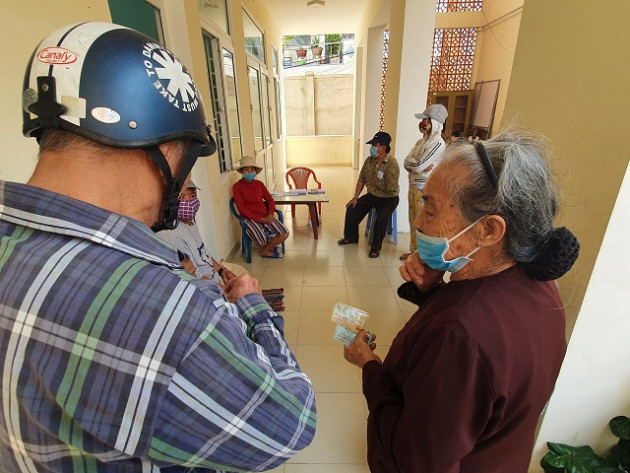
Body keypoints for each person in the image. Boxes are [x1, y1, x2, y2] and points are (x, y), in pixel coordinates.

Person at [0, 22, 315, 473]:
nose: (187, 182)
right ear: (166, 147)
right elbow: (292, 423)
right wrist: (253, 307)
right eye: (189, 159)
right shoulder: (169, 311)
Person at [343, 127, 580, 473]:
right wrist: (434, 289)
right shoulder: (540, 284)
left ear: (488, 231)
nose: (419, 223)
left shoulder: (457, 334)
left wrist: (369, 365)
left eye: (431, 208)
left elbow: (415, 460)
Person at [337, 131, 400, 258]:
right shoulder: (369, 161)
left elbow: (390, 189)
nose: (372, 148)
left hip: (388, 198)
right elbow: (361, 179)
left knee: (381, 217)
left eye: (375, 145)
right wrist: (355, 197)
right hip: (372, 195)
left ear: (383, 147)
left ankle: (376, 248)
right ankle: (351, 238)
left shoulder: (392, 164)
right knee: (352, 208)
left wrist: (377, 184)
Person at [400, 103, 448, 260]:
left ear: (435, 123)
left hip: (425, 190)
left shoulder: (438, 144)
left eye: (426, 119)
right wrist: (416, 164)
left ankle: (422, 254)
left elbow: (420, 166)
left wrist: (416, 164)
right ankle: (414, 251)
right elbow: (407, 161)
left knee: (423, 223)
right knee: (413, 220)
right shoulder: (421, 142)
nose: (423, 123)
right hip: (413, 186)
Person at [232, 155, 290, 258]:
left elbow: (270, 200)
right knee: (261, 241)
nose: (250, 172)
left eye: (252, 169)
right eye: (246, 170)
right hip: (249, 218)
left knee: (285, 233)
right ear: (241, 171)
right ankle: (266, 248)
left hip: (265, 216)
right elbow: (241, 208)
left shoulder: (259, 184)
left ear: (255, 171)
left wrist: (270, 214)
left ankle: (265, 250)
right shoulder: (237, 187)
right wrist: (258, 219)